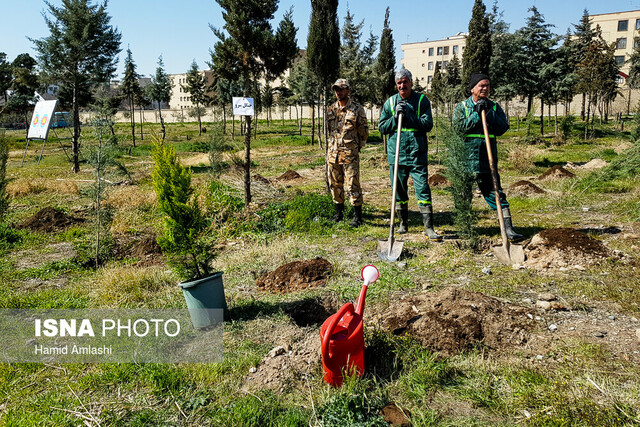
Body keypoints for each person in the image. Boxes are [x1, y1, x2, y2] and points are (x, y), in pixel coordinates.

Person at [452, 73, 522, 241]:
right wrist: (476, 114)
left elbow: (502, 128)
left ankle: (508, 229)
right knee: (462, 195)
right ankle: (465, 228)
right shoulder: (461, 107)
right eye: (481, 85)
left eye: (487, 86)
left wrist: (488, 113)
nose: (484, 88)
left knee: (495, 193)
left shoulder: (495, 107)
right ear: (472, 89)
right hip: (465, 160)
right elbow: (458, 128)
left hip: (487, 160)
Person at [378, 69, 442, 241]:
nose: (402, 85)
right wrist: (395, 118)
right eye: (399, 83)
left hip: (416, 154)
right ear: (396, 85)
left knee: (422, 189)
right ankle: (402, 224)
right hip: (396, 154)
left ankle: (429, 227)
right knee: (398, 190)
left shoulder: (422, 101)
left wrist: (410, 115)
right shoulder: (390, 102)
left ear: (411, 83)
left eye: (405, 82)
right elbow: (382, 127)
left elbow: (427, 124)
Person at [326, 78, 369, 227]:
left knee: (353, 184)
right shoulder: (331, 109)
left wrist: (356, 147)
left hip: (350, 154)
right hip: (333, 154)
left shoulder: (357, 109)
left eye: (341, 89)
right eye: (336, 90)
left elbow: (364, 131)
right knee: (335, 184)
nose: (338, 92)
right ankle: (339, 213)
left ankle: (357, 217)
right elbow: (330, 131)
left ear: (348, 90)